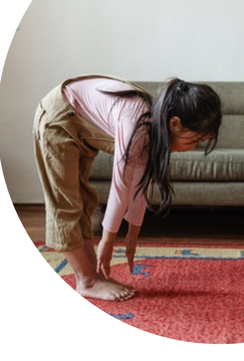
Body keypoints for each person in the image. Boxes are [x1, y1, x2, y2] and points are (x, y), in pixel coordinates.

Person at [33, 74, 222, 301]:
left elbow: (139, 183)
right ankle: (87, 281)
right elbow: (121, 183)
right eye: (194, 140)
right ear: (175, 123)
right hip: (58, 119)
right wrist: (108, 239)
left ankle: (93, 276)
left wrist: (132, 234)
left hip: (79, 126)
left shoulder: (155, 128)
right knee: (65, 204)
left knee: (84, 201)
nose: (192, 148)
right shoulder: (138, 121)